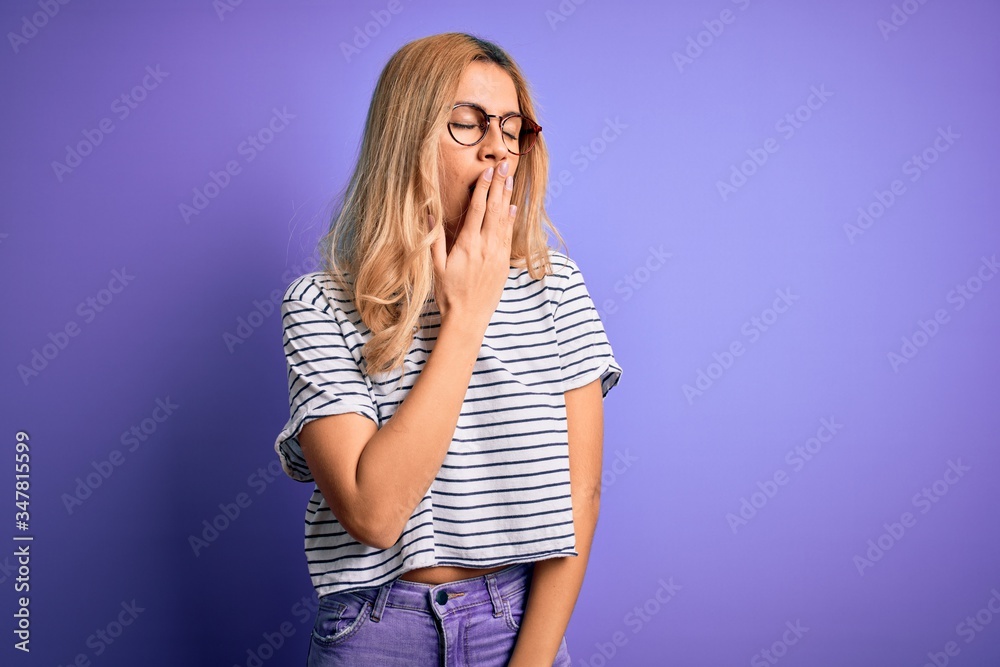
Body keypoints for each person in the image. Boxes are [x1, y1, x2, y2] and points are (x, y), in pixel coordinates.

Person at [273, 32, 622, 666]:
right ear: (406, 135)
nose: (497, 147)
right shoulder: (319, 305)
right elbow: (375, 514)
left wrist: (532, 661)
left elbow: (582, 498)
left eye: (512, 128)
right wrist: (465, 316)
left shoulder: (558, 287)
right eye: (469, 122)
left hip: (516, 625)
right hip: (375, 631)